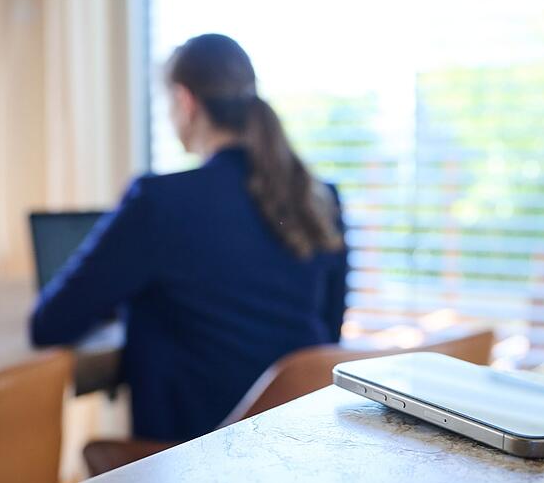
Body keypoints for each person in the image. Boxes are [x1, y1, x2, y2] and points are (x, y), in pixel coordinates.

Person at [30, 34, 348, 442]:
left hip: (190, 463)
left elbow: (50, 322)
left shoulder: (158, 202)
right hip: (301, 446)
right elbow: (328, 336)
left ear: (184, 100)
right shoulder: (320, 198)